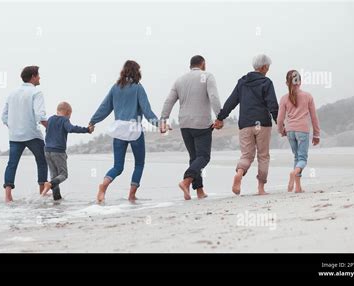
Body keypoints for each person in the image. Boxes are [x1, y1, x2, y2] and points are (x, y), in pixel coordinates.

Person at [89, 60, 159, 203]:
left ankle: (103, 187)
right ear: (136, 72)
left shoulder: (115, 88)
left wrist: (93, 121)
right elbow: (147, 110)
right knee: (139, 164)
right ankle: (131, 195)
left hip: (119, 129)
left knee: (117, 166)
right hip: (134, 130)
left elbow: (105, 107)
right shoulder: (138, 88)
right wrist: (159, 124)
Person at [214, 54, 279, 195]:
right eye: (268, 67)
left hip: (245, 124)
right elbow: (272, 104)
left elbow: (231, 101)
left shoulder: (242, 82)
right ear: (263, 67)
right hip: (262, 124)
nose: (268, 70)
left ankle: (239, 173)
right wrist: (278, 122)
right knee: (263, 156)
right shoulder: (266, 82)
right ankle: (261, 188)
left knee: (246, 155)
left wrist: (220, 117)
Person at [160, 55, 222, 200]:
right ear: (203, 64)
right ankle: (186, 181)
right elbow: (213, 97)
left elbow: (169, 101)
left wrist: (163, 119)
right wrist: (219, 117)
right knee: (204, 157)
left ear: (191, 65)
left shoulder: (179, 80)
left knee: (194, 158)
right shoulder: (207, 76)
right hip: (201, 123)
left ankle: (199, 191)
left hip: (184, 124)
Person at [1, 66, 48, 202]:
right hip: (33, 134)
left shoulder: (12, 93)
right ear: (33, 76)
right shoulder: (36, 93)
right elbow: (40, 114)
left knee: (12, 164)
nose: (39, 78)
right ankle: (42, 192)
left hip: (15, 136)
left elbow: (4, 116)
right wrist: (50, 127)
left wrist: (14, 127)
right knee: (42, 161)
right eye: (38, 75)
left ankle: (8, 196)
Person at [277, 70, 320, 193]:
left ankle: (298, 187)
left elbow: (280, 119)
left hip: (290, 131)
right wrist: (316, 134)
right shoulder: (308, 96)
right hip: (302, 130)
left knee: (296, 157)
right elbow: (314, 117)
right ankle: (295, 173)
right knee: (302, 159)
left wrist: (281, 130)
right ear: (300, 82)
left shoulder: (284, 99)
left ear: (286, 83)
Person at [41, 102, 94, 200]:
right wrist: (87, 130)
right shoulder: (64, 120)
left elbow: (48, 132)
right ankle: (49, 184)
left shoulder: (51, 119)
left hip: (47, 151)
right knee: (63, 175)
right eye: (70, 115)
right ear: (68, 112)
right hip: (58, 151)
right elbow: (71, 129)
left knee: (54, 176)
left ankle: (57, 199)